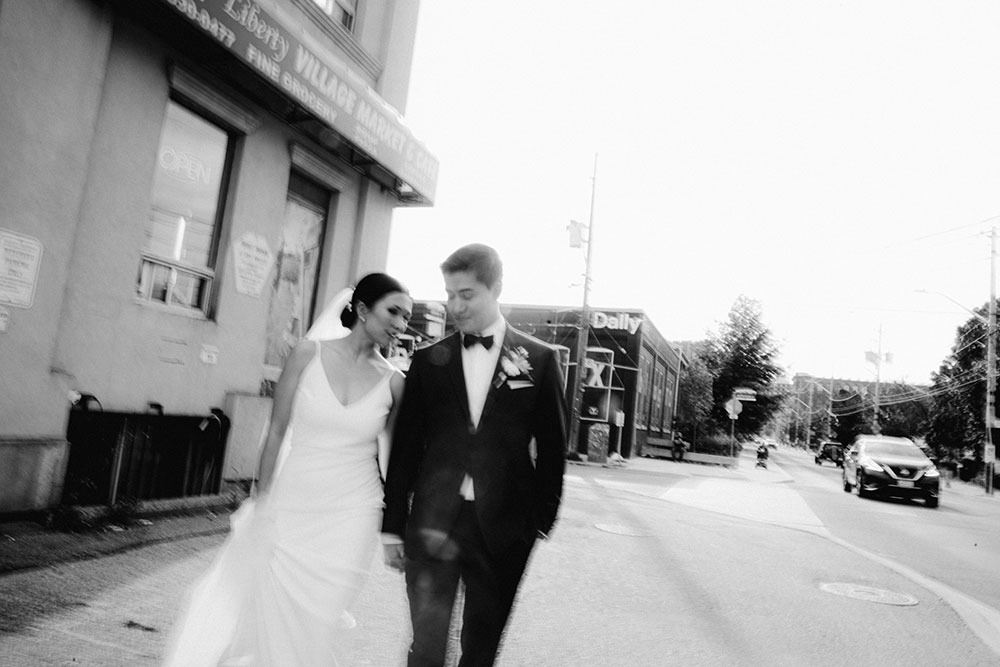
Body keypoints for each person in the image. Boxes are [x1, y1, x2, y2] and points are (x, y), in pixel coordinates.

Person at [161, 273, 412, 667]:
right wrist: (262, 498)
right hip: (295, 502)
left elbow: (395, 460)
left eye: (407, 317)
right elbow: (276, 430)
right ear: (362, 310)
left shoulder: (396, 383)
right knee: (273, 610)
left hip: (354, 511)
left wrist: (396, 524)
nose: (401, 324)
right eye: (393, 311)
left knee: (321, 617)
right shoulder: (306, 355)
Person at [381, 243, 568, 667]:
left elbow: (554, 451)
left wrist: (538, 523)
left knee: (481, 651)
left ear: (496, 288)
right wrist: (392, 526)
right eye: (449, 294)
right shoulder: (429, 362)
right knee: (425, 648)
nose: (455, 305)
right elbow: (406, 450)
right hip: (432, 523)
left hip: (503, 530)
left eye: (467, 294)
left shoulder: (540, 360)